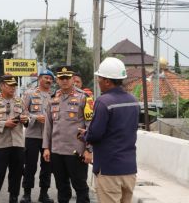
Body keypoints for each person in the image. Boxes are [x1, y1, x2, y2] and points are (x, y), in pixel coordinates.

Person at [80, 57, 139, 203]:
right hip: (129, 169)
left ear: (107, 81)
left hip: (109, 169)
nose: (97, 81)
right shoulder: (133, 100)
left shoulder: (103, 101)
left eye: (99, 78)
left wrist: (85, 135)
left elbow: (95, 135)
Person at [42, 66, 93, 203]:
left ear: (72, 79)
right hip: (57, 151)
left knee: (80, 187)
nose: (64, 81)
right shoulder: (53, 98)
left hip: (76, 152)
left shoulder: (84, 98)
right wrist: (46, 148)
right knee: (62, 187)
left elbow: (90, 126)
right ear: (57, 80)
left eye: (67, 78)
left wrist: (89, 150)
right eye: (61, 78)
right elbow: (48, 125)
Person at [0, 75, 29, 203]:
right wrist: (4, 124)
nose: (13, 87)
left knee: (17, 172)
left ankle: (13, 197)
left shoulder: (20, 101)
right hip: (1, 144)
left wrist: (26, 120)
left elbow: (26, 117)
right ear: (2, 86)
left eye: (14, 85)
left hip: (18, 143)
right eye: (10, 85)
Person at [20, 70, 55, 203]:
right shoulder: (29, 93)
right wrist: (35, 117)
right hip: (33, 136)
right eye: (46, 78)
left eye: (51, 79)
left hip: (49, 137)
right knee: (30, 166)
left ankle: (44, 194)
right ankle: (26, 194)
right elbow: (23, 113)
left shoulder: (55, 96)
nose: (49, 81)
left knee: (47, 167)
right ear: (39, 79)